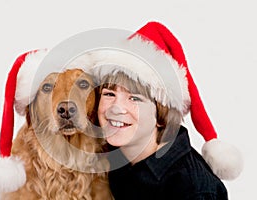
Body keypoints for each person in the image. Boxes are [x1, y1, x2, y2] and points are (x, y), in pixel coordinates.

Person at [91, 22, 243, 199]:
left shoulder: (192, 189)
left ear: (162, 115)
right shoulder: (113, 162)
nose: (116, 107)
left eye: (134, 98)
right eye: (109, 94)